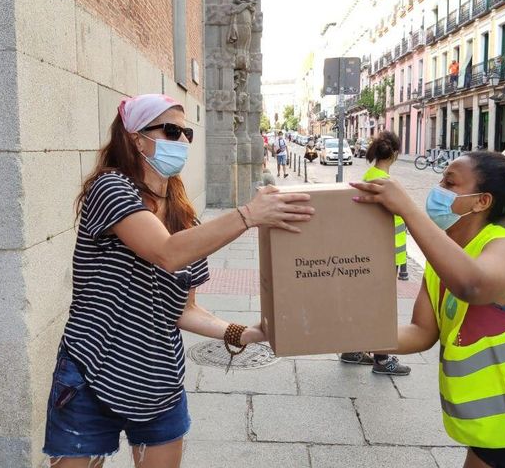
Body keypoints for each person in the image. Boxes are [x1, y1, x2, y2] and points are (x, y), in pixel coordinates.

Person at [43, 94, 314, 468]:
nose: (183, 140)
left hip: (158, 378)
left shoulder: (184, 214)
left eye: (186, 132)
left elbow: (184, 310)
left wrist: (243, 333)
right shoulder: (110, 189)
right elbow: (166, 252)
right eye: (171, 130)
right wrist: (249, 214)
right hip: (92, 370)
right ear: (137, 137)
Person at [351, 151, 505, 468]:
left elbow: (474, 286)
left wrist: (408, 211)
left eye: (449, 182)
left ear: (481, 201)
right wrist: (348, 334)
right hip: (502, 424)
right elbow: (421, 332)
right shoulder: (445, 260)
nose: (437, 188)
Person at [340, 131, 412, 377]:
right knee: (382, 306)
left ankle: (352, 350)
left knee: (367, 301)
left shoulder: (370, 176)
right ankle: (381, 359)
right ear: (394, 153)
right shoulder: (386, 182)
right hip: (385, 253)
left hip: (375, 251)